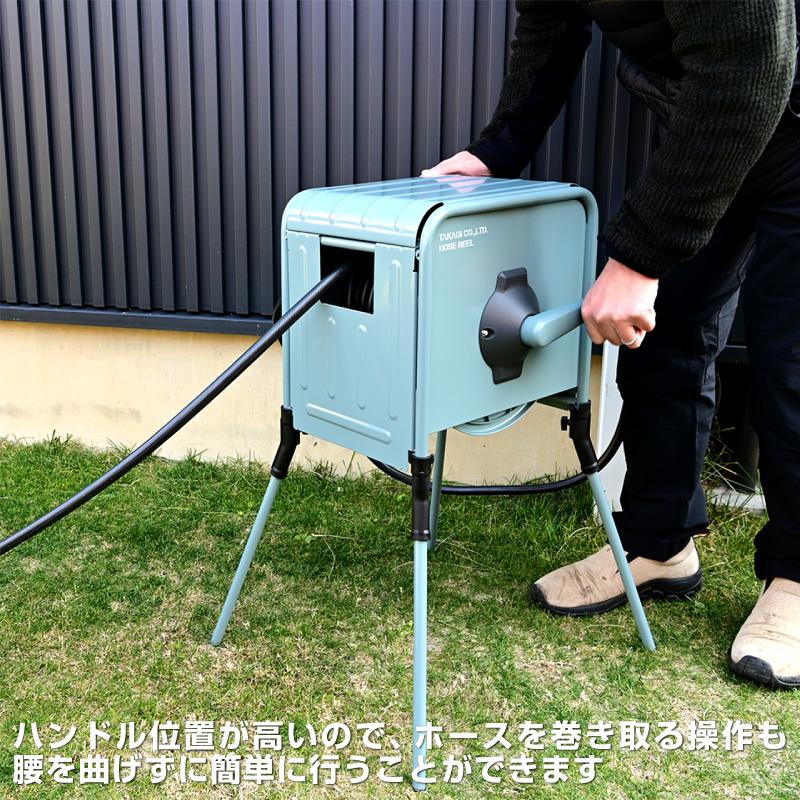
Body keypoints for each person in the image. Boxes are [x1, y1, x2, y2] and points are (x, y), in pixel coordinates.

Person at [423, 0, 800, 689]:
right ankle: (659, 544)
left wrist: (639, 258)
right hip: (710, 135)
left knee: (792, 364)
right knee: (662, 338)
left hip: (781, 105)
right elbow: (550, 24)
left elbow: (749, 64)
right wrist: (494, 151)